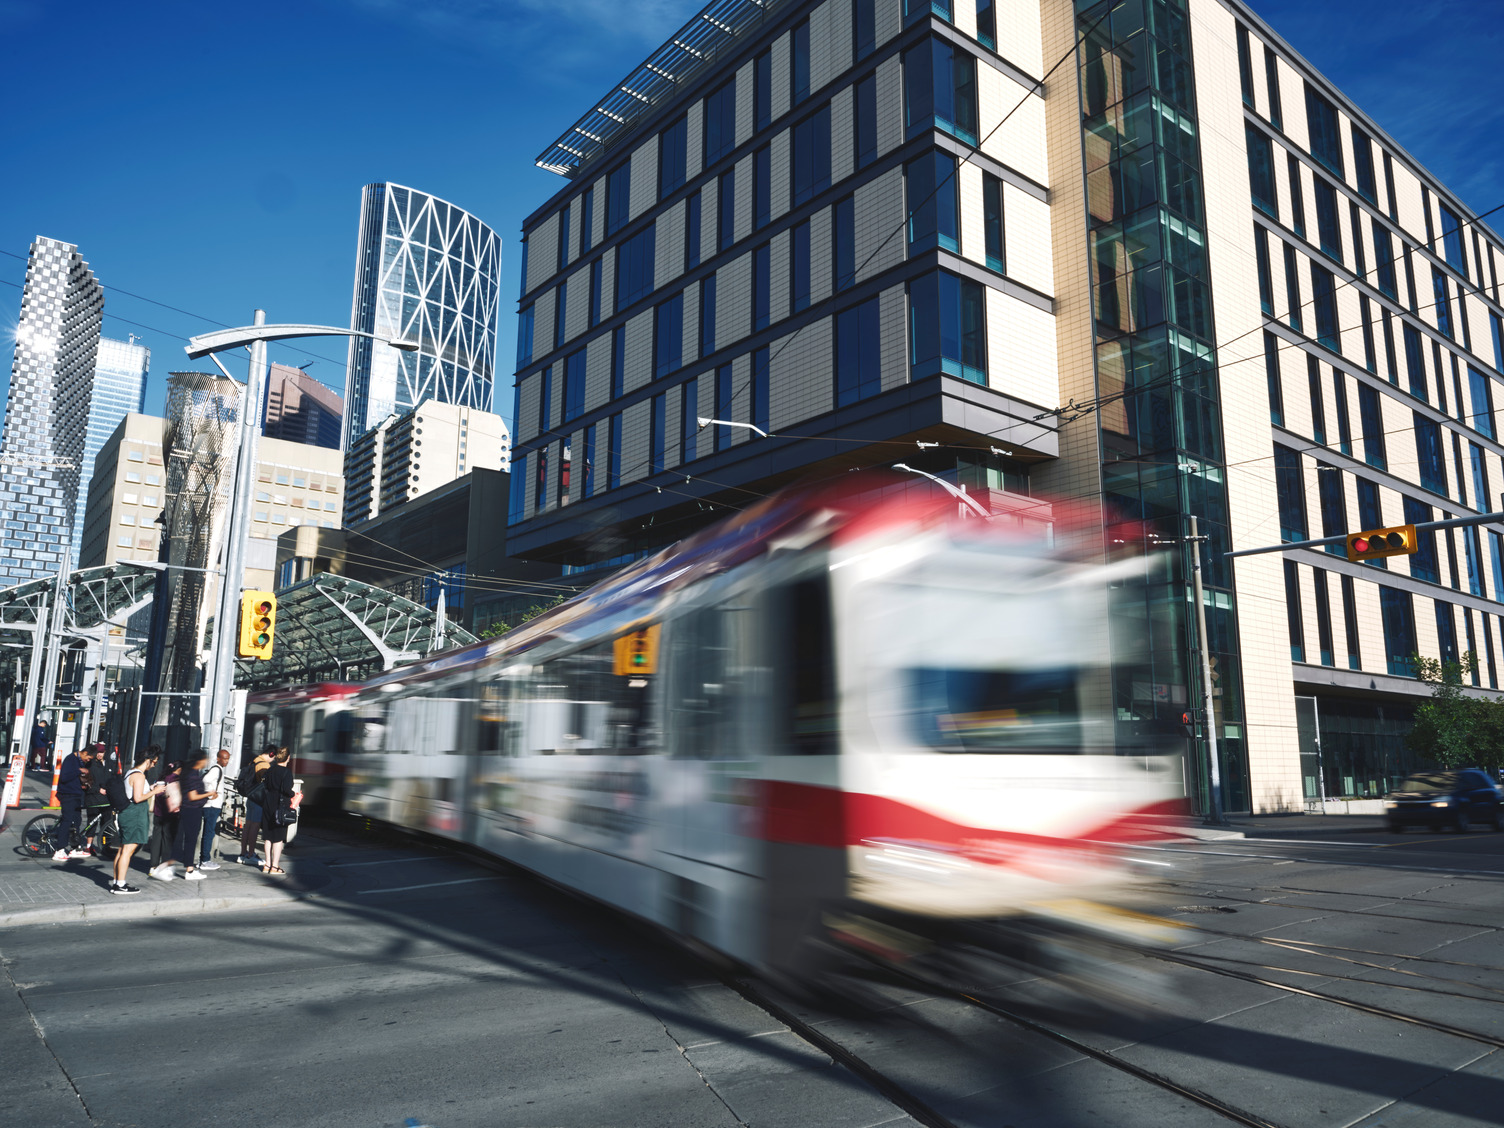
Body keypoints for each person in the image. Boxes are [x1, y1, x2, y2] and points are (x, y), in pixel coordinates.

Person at [111, 749, 165, 895]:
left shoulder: (130, 772)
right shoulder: (139, 776)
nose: (154, 765)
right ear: (148, 760)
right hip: (134, 814)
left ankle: (117, 882)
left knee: (122, 849)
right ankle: (120, 885)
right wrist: (155, 791)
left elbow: (134, 792)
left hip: (127, 812)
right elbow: (138, 798)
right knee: (127, 851)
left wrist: (150, 788)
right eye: (154, 762)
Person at [164, 749, 215, 881]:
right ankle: (189, 870)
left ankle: (172, 866)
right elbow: (193, 796)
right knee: (190, 840)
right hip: (192, 810)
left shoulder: (189, 772)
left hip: (187, 809)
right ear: (200, 760)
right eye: (205, 759)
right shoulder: (192, 775)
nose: (206, 762)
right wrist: (209, 794)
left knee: (183, 839)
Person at [51, 744, 95, 862]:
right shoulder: (70, 759)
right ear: (85, 753)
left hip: (76, 794)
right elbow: (64, 777)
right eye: (88, 758)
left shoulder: (80, 761)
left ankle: (75, 848)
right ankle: (59, 850)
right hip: (67, 794)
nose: (88, 761)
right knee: (67, 820)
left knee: (77, 820)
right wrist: (78, 770)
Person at [259, 746, 296, 875]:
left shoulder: (270, 770)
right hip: (280, 807)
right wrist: (293, 794)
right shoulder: (286, 772)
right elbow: (286, 790)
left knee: (268, 837)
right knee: (278, 838)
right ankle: (275, 866)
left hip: (268, 804)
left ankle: (267, 865)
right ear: (288, 758)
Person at [238, 746, 274, 866]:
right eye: (273, 758)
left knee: (247, 826)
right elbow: (267, 782)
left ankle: (243, 853)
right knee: (255, 826)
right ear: (271, 754)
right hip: (258, 800)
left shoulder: (253, 761)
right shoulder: (264, 765)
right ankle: (251, 854)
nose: (272, 761)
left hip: (250, 798)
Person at [147, 757, 181, 879]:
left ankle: (153, 866)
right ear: (180, 769)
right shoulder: (175, 780)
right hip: (170, 814)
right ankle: (164, 866)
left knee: (156, 839)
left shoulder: (161, 778)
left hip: (158, 813)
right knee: (168, 840)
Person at [197, 748, 230, 871]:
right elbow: (205, 780)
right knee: (209, 833)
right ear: (218, 758)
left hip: (212, 805)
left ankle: (204, 860)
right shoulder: (216, 769)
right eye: (224, 758)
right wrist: (210, 794)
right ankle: (205, 860)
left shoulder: (217, 769)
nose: (226, 761)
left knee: (208, 832)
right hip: (212, 805)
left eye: (228, 759)